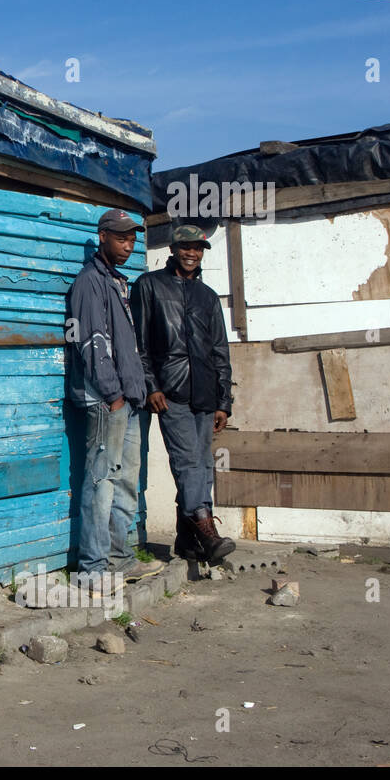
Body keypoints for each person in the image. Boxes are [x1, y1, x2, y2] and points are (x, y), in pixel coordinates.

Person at [65, 209, 164, 594]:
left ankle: (118, 560)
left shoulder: (118, 283)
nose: (128, 244)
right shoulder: (90, 283)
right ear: (102, 236)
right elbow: (90, 344)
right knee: (100, 483)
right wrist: (114, 395)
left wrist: (132, 393)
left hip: (127, 399)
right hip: (107, 401)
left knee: (125, 481)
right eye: (121, 238)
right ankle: (92, 569)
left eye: (132, 239)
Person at [131, 224, 236, 564]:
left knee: (203, 466)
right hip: (170, 392)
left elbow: (220, 351)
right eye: (185, 247)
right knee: (189, 462)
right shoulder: (149, 286)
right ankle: (207, 530)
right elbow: (139, 345)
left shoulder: (208, 296)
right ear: (173, 250)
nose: (192, 253)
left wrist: (224, 401)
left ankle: (186, 541)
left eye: (198, 248)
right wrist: (151, 386)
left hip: (205, 393)